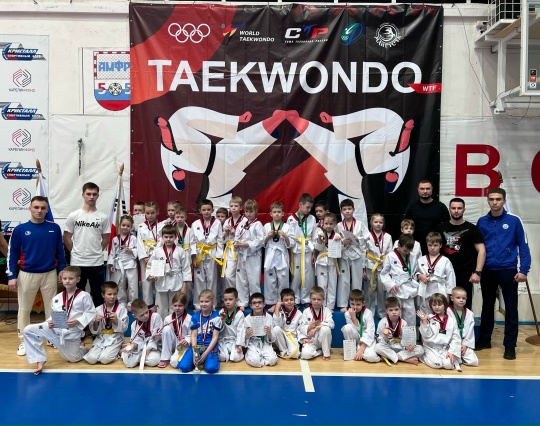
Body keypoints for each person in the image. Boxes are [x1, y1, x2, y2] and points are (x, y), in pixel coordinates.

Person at [7, 196, 66, 356]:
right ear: (30, 208)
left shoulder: (54, 228)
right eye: (36, 207)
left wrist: (62, 269)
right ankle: (24, 340)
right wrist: (11, 275)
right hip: (27, 274)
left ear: (47, 210)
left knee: (54, 308)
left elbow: (60, 251)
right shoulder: (20, 229)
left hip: (50, 273)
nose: (39, 210)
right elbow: (12, 254)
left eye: (42, 208)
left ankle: (53, 338)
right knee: (24, 309)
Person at [477, 187, 531, 360]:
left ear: (504, 201)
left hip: (508, 270)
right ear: (488, 201)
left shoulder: (514, 220)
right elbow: (477, 247)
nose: (495, 202)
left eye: (498, 199)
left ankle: (510, 345)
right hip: (487, 270)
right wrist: (477, 270)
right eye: (491, 199)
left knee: (511, 308)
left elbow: (523, 246)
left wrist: (524, 270)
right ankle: (485, 339)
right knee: (487, 306)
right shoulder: (481, 221)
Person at [23, 266, 96, 375]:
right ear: (61, 279)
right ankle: (40, 359)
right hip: (55, 330)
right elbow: (54, 314)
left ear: (78, 279)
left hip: (71, 333)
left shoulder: (84, 296)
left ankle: (82, 348)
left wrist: (78, 320)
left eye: (71, 278)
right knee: (28, 330)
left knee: (72, 359)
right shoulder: (57, 297)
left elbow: (91, 312)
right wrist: (49, 322)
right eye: (65, 278)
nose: (67, 281)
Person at [63, 182, 111, 306]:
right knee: (77, 295)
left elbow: (106, 239)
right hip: (78, 262)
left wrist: (96, 251)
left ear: (98, 196)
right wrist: (75, 251)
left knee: (98, 295)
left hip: (96, 262)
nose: (91, 197)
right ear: (83, 195)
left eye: (94, 194)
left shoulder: (103, 217)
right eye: (88, 194)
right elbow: (66, 237)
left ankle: (98, 318)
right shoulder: (74, 215)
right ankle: (77, 318)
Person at [437, 198, 485, 310]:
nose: (456, 211)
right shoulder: (441, 228)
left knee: (463, 305)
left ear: (464, 210)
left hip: (465, 273)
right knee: (444, 305)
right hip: (444, 273)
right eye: (453, 208)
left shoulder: (472, 229)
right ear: (449, 209)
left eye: (459, 208)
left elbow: (481, 250)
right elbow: (434, 248)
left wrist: (477, 272)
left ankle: (464, 322)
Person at [146, 225, 192, 319]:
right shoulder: (157, 251)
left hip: (176, 282)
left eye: (171, 237)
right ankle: (161, 325)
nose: (168, 239)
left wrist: (184, 286)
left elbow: (186, 268)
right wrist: (150, 275)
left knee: (175, 305)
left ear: (175, 237)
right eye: (166, 237)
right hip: (161, 281)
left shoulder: (181, 251)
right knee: (161, 306)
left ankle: (174, 324)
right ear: (162, 237)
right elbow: (150, 266)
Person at [337, 198, 369, 313]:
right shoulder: (339, 225)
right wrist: (342, 242)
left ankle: (356, 303)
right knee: (343, 279)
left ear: (353, 210)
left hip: (356, 254)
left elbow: (367, 236)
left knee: (357, 279)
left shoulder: (360, 224)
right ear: (341, 211)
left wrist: (358, 238)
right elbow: (335, 239)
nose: (347, 211)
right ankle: (342, 303)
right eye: (345, 209)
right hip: (344, 254)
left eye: (349, 209)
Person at [84, 281, 128, 365]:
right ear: (103, 295)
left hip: (115, 338)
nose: (112, 297)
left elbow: (124, 328)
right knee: (91, 359)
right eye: (109, 294)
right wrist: (96, 321)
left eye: (114, 294)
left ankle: (118, 351)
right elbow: (94, 331)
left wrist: (116, 320)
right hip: (101, 338)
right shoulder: (97, 309)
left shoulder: (121, 309)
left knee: (104, 359)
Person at [380, 234, 419, 328]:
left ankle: (410, 337)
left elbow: (416, 271)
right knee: (395, 315)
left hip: (409, 289)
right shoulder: (390, 256)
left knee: (410, 315)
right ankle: (395, 335)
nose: (407, 252)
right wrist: (390, 285)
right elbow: (384, 273)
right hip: (395, 289)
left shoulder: (413, 256)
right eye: (405, 250)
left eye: (409, 250)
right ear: (399, 245)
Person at [178, 289, 222, 373]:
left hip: (209, 346)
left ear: (212, 302)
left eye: (207, 301)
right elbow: (194, 336)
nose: (204, 304)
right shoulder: (195, 317)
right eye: (201, 301)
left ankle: (208, 359)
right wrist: (195, 353)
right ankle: (198, 360)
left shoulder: (216, 317)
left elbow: (215, 337)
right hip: (197, 346)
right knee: (183, 367)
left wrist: (205, 354)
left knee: (211, 368)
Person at [192, 199, 223, 310]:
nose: (206, 212)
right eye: (204, 210)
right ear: (200, 211)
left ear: (212, 210)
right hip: (199, 253)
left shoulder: (217, 223)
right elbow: (192, 242)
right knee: (199, 279)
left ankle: (212, 304)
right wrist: (193, 257)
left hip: (212, 252)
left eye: (208, 209)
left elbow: (220, 240)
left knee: (212, 279)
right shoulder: (195, 224)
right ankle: (198, 304)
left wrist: (220, 256)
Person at [404, 179, 450, 254]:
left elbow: (448, 226)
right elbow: (405, 226)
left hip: (435, 247)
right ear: (418, 190)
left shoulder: (441, 207)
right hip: (415, 247)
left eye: (428, 188)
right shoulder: (412, 208)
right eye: (422, 189)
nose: (425, 191)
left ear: (432, 189)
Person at [417, 293, 461, 370]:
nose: (437, 307)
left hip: (444, 348)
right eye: (434, 305)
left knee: (448, 365)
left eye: (439, 305)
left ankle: (441, 358)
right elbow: (426, 335)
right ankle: (423, 356)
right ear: (431, 306)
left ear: (445, 305)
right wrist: (424, 322)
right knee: (437, 364)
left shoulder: (451, 320)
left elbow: (456, 337)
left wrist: (452, 352)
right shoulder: (428, 318)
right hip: (430, 347)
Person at [287, 193, 317, 306]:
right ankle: (295, 298)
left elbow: (314, 236)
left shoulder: (312, 218)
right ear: (300, 204)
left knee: (308, 275)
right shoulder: (291, 219)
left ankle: (306, 299)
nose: (309, 210)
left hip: (308, 248)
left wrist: (314, 252)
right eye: (307, 207)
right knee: (296, 275)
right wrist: (290, 251)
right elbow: (289, 237)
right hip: (296, 249)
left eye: (310, 208)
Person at [375, 297, 424, 365]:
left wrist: (408, 346)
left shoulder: (404, 323)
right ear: (386, 311)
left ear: (400, 310)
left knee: (420, 349)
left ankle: (390, 357)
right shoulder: (382, 323)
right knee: (377, 347)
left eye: (396, 309)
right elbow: (381, 343)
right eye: (391, 310)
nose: (394, 312)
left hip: (400, 347)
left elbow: (406, 341)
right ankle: (404, 359)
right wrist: (385, 336)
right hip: (388, 346)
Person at [234, 199, 265, 308]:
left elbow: (261, 240)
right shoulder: (242, 223)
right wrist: (237, 243)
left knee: (253, 280)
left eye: (251, 211)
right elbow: (237, 236)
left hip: (253, 256)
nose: (248, 214)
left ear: (256, 211)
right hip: (242, 254)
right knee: (241, 279)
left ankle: (256, 302)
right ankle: (242, 302)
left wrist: (248, 244)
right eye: (246, 211)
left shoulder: (258, 224)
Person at [416, 232, 456, 313]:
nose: (432, 248)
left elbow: (451, 278)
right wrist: (420, 276)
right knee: (425, 315)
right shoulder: (421, 259)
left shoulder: (445, 260)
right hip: (425, 290)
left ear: (440, 245)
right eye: (430, 245)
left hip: (440, 290)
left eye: (435, 245)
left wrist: (449, 294)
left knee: (440, 314)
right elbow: (415, 273)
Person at [263, 201, 291, 312]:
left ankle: (282, 302)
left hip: (282, 254)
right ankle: (271, 302)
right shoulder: (266, 226)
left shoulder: (287, 226)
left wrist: (285, 236)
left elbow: (290, 244)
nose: (277, 214)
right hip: (270, 253)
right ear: (271, 214)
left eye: (279, 212)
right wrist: (267, 236)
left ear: (283, 213)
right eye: (274, 212)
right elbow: (262, 243)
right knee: (270, 280)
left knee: (283, 279)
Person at [121, 298, 163, 368]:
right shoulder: (134, 325)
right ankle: (125, 353)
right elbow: (136, 341)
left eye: (146, 312)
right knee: (129, 364)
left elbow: (155, 338)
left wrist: (146, 353)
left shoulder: (156, 317)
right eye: (142, 315)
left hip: (154, 348)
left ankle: (140, 359)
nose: (146, 316)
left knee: (152, 361)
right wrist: (133, 346)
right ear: (134, 316)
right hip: (141, 348)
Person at [365, 213, 393, 318]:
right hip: (370, 266)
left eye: (380, 222)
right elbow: (364, 252)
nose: (378, 224)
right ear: (371, 223)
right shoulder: (367, 236)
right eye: (375, 222)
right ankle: (369, 313)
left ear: (383, 224)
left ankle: (382, 314)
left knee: (382, 292)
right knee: (370, 291)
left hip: (383, 267)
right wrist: (363, 268)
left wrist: (390, 269)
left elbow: (390, 254)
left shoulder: (388, 236)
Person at [107, 214, 138, 307]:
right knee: (120, 285)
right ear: (120, 225)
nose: (125, 227)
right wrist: (111, 264)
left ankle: (132, 302)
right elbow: (112, 253)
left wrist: (131, 250)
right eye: (123, 225)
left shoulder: (133, 238)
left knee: (132, 285)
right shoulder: (115, 239)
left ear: (131, 227)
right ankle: (122, 302)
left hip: (130, 264)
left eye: (128, 226)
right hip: (119, 264)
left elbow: (138, 250)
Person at [341, 289, 380, 363]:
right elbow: (354, 330)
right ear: (349, 303)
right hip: (355, 338)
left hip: (367, 340)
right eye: (352, 304)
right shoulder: (347, 314)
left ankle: (360, 352)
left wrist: (361, 349)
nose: (355, 307)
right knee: (347, 328)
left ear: (363, 303)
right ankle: (351, 351)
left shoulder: (368, 313)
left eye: (358, 304)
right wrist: (353, 317)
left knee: (372, 357)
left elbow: (370, 332)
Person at [136, 201, 163, 307]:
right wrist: (144, 256)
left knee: (158, 278)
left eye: (152, 213)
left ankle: (159, 303)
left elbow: (161, 241)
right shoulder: (141, 226)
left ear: (157, 212)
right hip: (145, 256)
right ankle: (148, 303)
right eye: (147, 213)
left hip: (157, 255)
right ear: (144, 213)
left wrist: (153, 256)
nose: (150, 215)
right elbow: (139, 243)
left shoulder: (162, 226)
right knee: (146, 280)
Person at [299, 286, 334, 360]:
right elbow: (301, 327)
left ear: (323, 299)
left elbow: (331, 324)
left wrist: (317, 327)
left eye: (319, 299)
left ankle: (326, 353)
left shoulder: (327, 311)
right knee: (305, 355)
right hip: (311, 340)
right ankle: (320, 352)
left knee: (325, 329)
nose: (316, 301)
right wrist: (309, 327)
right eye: (314, 299)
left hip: (323, 340)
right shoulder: (306, 311)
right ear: (310, 298)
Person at [314, 212, 341, 311]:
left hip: (333, 262)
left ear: (335, 224)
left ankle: (330, 306)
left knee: (332, 284)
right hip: (321, 261)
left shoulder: (337, 235)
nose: (328, 226)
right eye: (326, 223)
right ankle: (322, 305)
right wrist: (319, 239)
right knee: (322, 284)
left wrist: (339, 241)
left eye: (331, 224)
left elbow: (340, 251)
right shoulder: (320, 233)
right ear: (323, 223)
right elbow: (317, 248)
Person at [158, 292, 192, 368]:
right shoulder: (168, 319)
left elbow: (191, 334)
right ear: (172, 305)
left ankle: (174, 355)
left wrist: (187, 340)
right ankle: (165, 358)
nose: (177, 308)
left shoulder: (190, 319)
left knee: (174, 363)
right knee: (166, 329)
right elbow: (165, 335)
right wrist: (158, 335)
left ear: (185, 305)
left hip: (183, 345)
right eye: (175, 305)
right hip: (172, 342)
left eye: (180, 306)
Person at [244, 292, 277, 367]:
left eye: (259, 302)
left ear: (264, 304)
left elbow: (272, 338)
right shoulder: (247, 319)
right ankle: (253, 356)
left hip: (265, 343)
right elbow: (243, 338)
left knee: (272, 361)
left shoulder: (269, 317)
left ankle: (261, 359)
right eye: (254, 303)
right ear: (250, 305)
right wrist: (247, 335)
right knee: (255, 362)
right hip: (253, 344)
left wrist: (269, 332)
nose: (257, 305)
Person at [447, 287, 478, 367]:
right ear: (452, 298)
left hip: (464, 342)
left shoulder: (470, 313)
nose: (461, 300)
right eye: (458, 298)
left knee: (473, 362)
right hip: (451, 342)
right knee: (450, 362)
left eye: (463, 298)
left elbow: (470, 331)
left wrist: (465, 344)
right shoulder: (447, 311)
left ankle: (461, 357)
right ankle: (458, 358)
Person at [272, 288, 302, 359]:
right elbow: (277, 325)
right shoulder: (279, 311)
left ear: (294, 300)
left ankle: (287, 349)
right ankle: (283, 351)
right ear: (282, 301)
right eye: (286, 300)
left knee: (295, 354)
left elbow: (301, 328)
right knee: (276, 329)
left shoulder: (299, 313)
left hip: (292, 336)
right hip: (281, 336)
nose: (289, 302)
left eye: (291, 299)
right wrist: (277, 307)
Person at [218, 287, 246, 363]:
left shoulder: (240, 314)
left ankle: (234, 352)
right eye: (225, 300)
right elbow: (218, 329)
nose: (227, 302)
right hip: (224, 340)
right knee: (222, 357)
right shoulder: (221, 312)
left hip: (235, 341)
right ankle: (226, 353)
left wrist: (239, 344)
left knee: (236, 358)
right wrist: (222, 322)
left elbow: (241, 330)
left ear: (236, 300)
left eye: (230, 299)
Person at [221, 196, 243, 290]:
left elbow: (247, 236)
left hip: (241, 249)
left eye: (236, 206)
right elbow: (222, 239)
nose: (233, 208)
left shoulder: (245, 220)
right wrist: (226, 232)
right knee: (228, 275)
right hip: (230, 250)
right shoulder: (227, 221)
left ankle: (239, 294)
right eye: (231, 206)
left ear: (241, 208)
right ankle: (231, 294)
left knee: (241, 275)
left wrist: (236, 233)